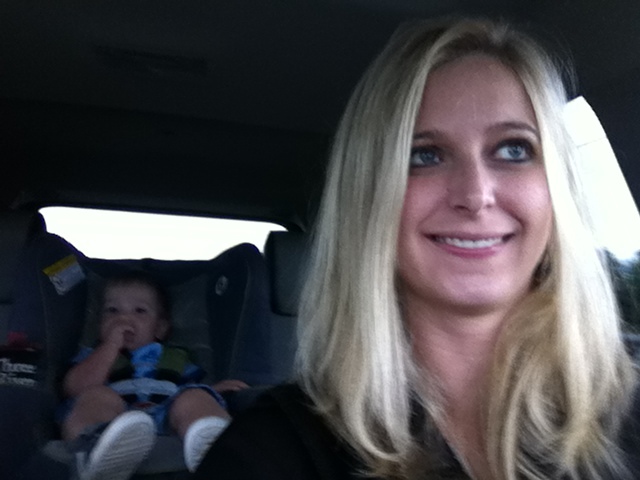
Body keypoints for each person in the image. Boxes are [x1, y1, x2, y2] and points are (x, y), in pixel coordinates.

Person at [194, 16, 640, 480]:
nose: (475, 195)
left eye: (513, 150)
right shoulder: (271, 452)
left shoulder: (628, 407)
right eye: (424, 155)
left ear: (556, 191)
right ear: (369, 199)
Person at [60, 270, 248, 479]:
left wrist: (212, 392)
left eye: (140, 311)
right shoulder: (94, 355)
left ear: (159, 328)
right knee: (96, 396)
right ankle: (95, 451)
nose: (123, 318)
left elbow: (190, 388)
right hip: (114, 421)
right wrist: (111, 345)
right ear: (100, 323)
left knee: (195, 397)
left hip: (167, 414)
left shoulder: (175, 358)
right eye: (112, 310)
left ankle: (214, 450)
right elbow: (75, 388)